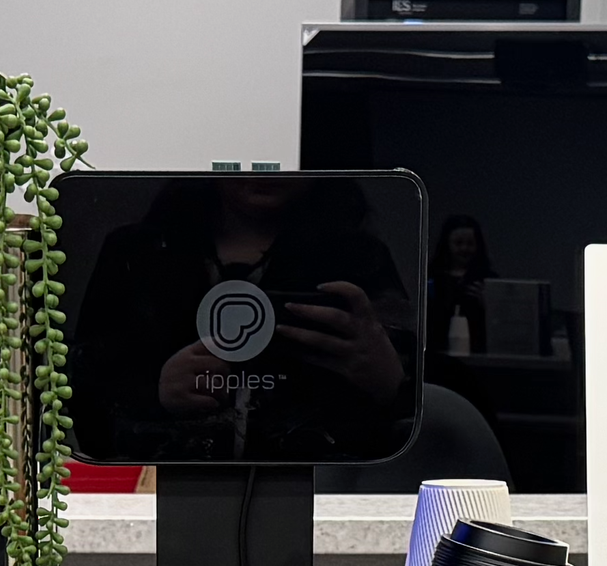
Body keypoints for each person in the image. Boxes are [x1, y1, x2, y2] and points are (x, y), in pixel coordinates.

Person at [70, 178, 416, 464]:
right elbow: (81, 391)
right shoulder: (138, 252)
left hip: (316, 485)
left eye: (284, 152)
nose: (266, 167)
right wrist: (154, 394)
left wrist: (393, 382)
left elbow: (409, 416)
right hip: (164, 487)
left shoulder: (358, 258)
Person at [428, 216, 493, 358]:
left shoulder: (487, 279)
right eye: (458, 243)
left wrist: (489, 302)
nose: (464, 248)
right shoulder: (431, 277)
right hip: (437, 352)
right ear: (447, 244)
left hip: (477, 354)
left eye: (470, 243)